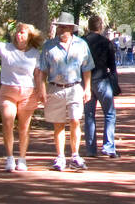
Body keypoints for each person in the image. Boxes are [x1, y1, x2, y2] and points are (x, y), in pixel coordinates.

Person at [0, 21, 44, 172]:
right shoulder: (6, 48)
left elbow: (38, 74)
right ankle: (10, 157)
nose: (19, 34)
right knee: (7, 123)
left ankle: (22, 158)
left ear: (29, 36)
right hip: (8, 93)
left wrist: (41, 92)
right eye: (18, 32)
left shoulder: (35, 54)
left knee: (24, 127)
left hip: (28, 93)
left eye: (22, 32)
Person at [36, 12, 94, 171]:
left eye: (63, 27)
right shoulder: (49, 46)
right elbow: (42, 70)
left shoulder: (81, 45)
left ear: (70, 28)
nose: (60, 30)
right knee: (58, 124)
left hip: (75, 87)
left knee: (75, 121)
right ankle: (60, 157)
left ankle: (75, 155)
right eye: (58, 27)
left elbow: (87, 68)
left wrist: (87, 88)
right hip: (55, 88)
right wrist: (41, 89)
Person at [82, 14, 121, 158]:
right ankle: (108, 147)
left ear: (88, 26)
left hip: (85, 82)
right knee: (109, 114)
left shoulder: (82, 42)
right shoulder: (106, 42)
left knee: (89, 115)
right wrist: (115, 81)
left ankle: (91, 149)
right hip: (102, 80)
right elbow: (112, 65)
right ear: (101, 26)